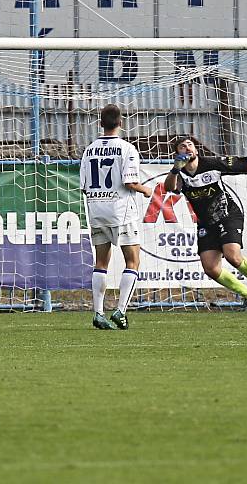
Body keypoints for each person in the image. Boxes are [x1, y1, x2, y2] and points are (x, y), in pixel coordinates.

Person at [163, 136, 247, 310]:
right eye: (182, 147)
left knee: (233, 256)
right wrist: (175, 170)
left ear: (196, 150)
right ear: (177, 153)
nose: (187, 148)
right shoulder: (179, 173)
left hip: (227, 214)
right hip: (206, 223)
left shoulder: (212, 163)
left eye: (190, 145)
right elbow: (170, 188)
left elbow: (245, 167)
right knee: (210, 268)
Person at [80, 104, 152, 330]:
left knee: (101, 262)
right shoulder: (126, 148)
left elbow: (83, 187)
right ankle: (121, 311)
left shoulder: (89, 149)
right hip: (120, 210)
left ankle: (98, 313)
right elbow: (130, 181)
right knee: (133, 260)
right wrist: (146, 190)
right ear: (121, 123)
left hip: (95, 209)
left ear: (100, 123)